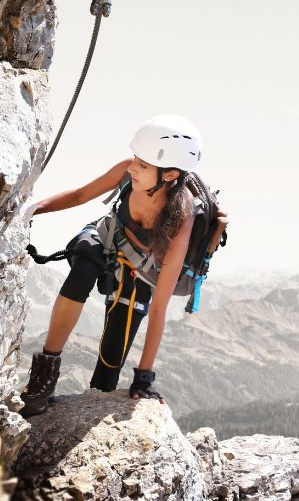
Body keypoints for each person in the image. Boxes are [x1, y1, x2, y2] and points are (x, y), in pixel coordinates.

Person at [19, 114, 203, 417]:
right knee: (82, 271)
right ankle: (42, 381)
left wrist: (144, 377)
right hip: (104, 236)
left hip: (140, 270)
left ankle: (97, 399)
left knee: (110, 364)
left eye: (143, 165)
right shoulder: (127, 172)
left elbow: (159, 307)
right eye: (135, 158)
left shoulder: (181, 221)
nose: (132, 167)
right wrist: (32, 210)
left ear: (169, 175)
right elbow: (80, 195)